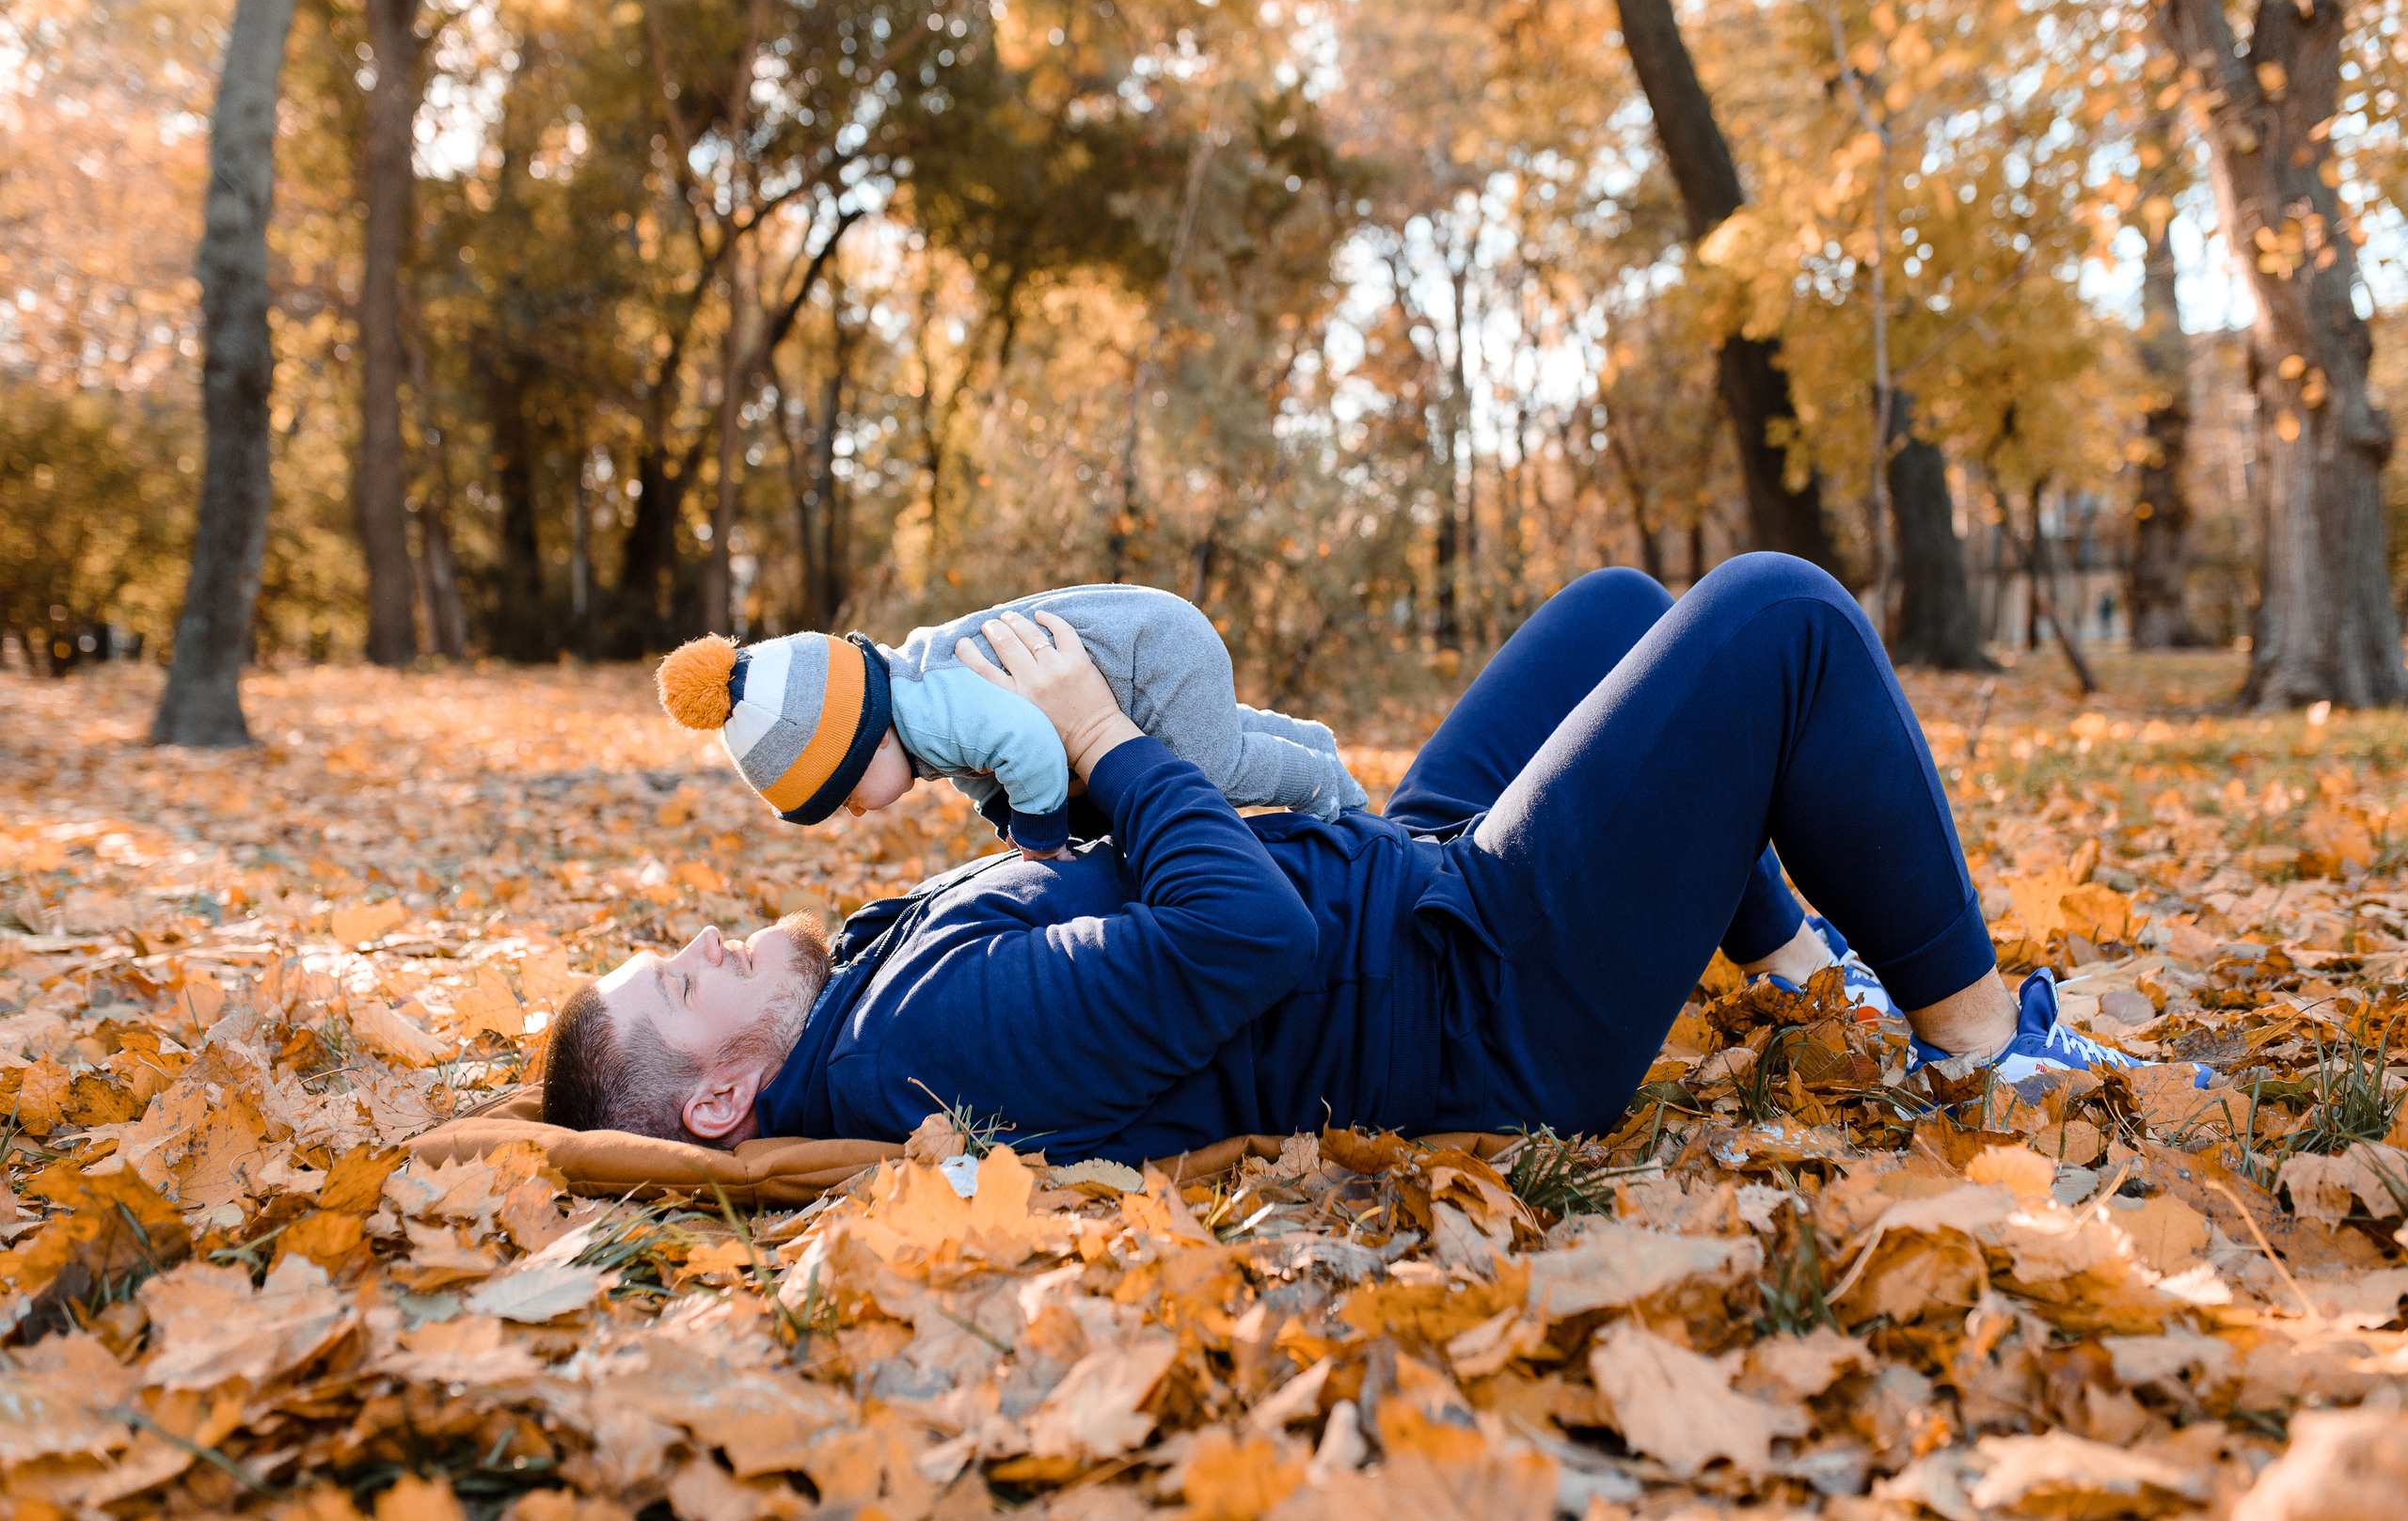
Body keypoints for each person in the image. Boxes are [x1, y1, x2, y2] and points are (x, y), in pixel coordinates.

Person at [546, 555, 2183, 1158]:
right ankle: (1980, 1054)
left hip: (1396, 886)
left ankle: (1801, 969)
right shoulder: (917, 1038)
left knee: (1615, 607)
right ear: (716, 1097)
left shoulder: (876, 973)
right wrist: (1108, 734)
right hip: (1482, 1000)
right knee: (1783, 621)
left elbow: (1106, 888)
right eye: (689, 979)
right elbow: (1233, 939)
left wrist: (1025, 763)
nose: (709, 938)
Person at [652, 584, 1367, 858]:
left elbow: (1024, 743)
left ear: (855, 744)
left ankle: (1323, 785)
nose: (860, 815)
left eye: (844, 797)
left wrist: (1042, 841)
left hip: (1151, 653)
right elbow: (984, 769)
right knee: (1205, 739)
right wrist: (1006, 813)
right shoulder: (918, 699)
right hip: (1151, 644)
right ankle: (1312, 740)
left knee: (1210, 771)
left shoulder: (932, 708)